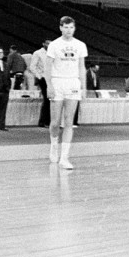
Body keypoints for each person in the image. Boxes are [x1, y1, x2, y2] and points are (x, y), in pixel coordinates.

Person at [45, 16, 87, 169]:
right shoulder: (54, 45)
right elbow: (48, 67)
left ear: (74, 29)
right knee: (55, 122)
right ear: (61, 27)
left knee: (69, 121)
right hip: (57, 82)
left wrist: (83, 87)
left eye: (71, 28)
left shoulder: (80, 45)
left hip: (73, 83)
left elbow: (82, 67)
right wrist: (49, 85)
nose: (69, 30)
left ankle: (64, 157)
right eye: (66, 27)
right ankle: (54, 146)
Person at [29, 39, 51, 126]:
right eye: (48, 44)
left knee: (51, 100)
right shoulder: (37, 53)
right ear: (43, 44)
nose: (49, 45)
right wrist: (39, 76)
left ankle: (48, 121)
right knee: (47, 99)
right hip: (43, 78)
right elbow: (32, 67)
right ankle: (43, 121)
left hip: (52, 79)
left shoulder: (53, 53)